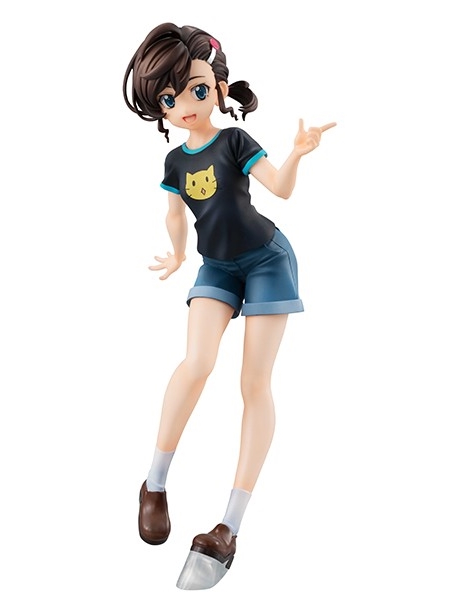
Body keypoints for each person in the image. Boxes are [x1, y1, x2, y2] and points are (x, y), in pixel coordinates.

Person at [123, 22, 336, 589]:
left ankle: (228, 528)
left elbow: (279, 189)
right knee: (197, 362)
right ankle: (154, 484)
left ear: (218, 87)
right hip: (216, 266)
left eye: (195, 90)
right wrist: (177, 255)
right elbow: (175, 214)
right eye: (168, 99)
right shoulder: (175, 162)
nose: (183, 107)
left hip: (266, 261)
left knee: (253, 383)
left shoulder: (236, 141)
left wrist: (297, 154)